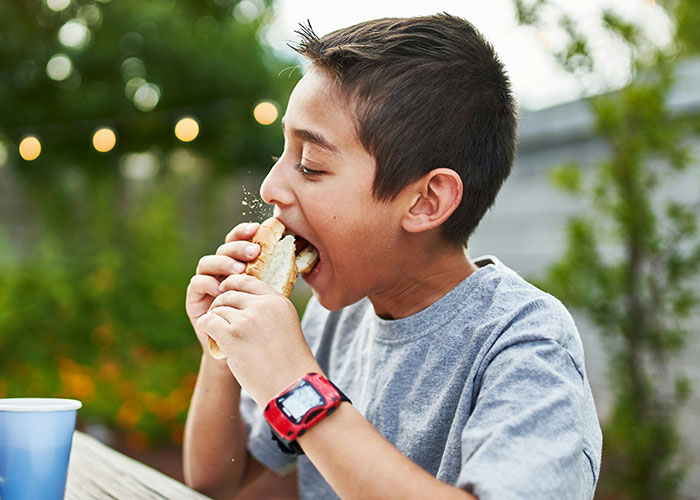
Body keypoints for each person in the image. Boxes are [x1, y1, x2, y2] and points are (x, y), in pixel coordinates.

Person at [182, 13, 602, 500]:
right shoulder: (334, 320)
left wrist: (297, 387)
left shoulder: (524, 341)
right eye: (283, 153)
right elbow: (216, 477)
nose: (271, 187)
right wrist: (224, 347)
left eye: (311, 165)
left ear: (425, 202)